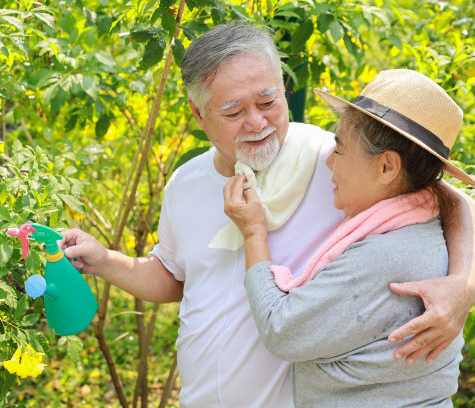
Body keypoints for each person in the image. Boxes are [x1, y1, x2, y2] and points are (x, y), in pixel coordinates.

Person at [58, 22, 475, 407]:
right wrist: (106, 260)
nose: (257, 122)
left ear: (283, 85)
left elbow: (451, 199)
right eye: (234, 112)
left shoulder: (334, 160)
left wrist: (463, 285)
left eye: (268, 101)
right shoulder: (184, 183)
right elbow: (174, 277)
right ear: (199, 113)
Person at [224, 68, 474, 407]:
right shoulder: (427, 220)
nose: (328, 162)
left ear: (387, 167)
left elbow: (281, 330)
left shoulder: (386, 254)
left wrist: (254, 232)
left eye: (339, 150)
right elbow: (455, 196)